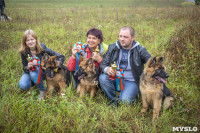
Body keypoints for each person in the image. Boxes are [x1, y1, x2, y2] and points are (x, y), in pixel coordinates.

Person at [99, 26, 151, 105]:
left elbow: (152, 63)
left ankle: (130, 95)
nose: (122, 39)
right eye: (120, 36)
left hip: (132, 81)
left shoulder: (140, 50)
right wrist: (107, 69)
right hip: (115, 78)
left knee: (125, 102)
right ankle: (113, 101)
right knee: (103, 78)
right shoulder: (113, 47)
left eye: (125, 37)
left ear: (132, 38)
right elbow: (103, 63)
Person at [18, 29, 65, 100]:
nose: (30, 42)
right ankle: (34, 84)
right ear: (24, 42)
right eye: (27, 40)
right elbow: (24, 68)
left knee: (34, 74)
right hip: (29, 72)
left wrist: (58, 65)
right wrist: (27, 67)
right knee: (23, 85)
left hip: (42, 72)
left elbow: (61, 56)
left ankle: (42, 90)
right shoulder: (24, 52)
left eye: (32, 39)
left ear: (36, 39)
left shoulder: (43, 48)